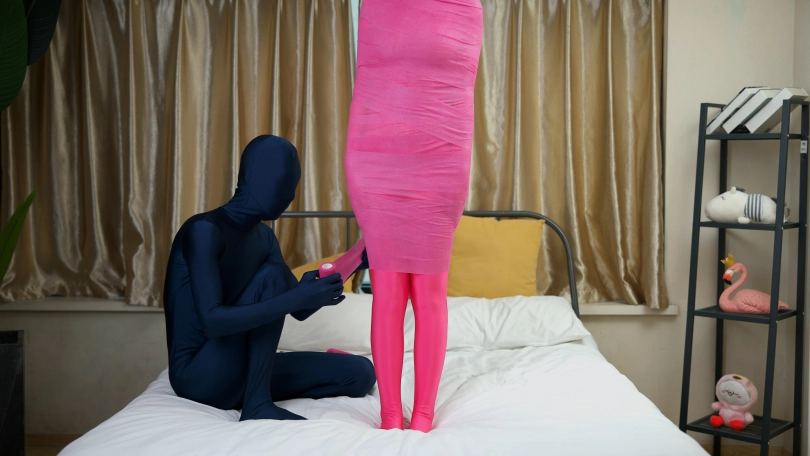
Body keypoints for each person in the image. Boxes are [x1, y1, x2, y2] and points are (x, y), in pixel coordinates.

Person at [340, 0, 483, 433]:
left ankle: (423, 415)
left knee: (429, 293)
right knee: (386, 294)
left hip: (442, 159)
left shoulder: (465, 6)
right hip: (375, 154)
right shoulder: (376, 5)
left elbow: (462, 84)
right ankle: (390, 415)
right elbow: (368, 78)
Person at [163, 135, 375, 421]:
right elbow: (213, 322)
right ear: (256, 177)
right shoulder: (204, 230)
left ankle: (252, 391)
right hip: (200, 376)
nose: (290, 195)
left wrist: (354, 260)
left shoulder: (264, 236)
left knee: (360, 374)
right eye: (286, 182)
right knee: (273, 275)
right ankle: (257, 404)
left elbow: (299, 309)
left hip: (241, 368)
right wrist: (296, 297)